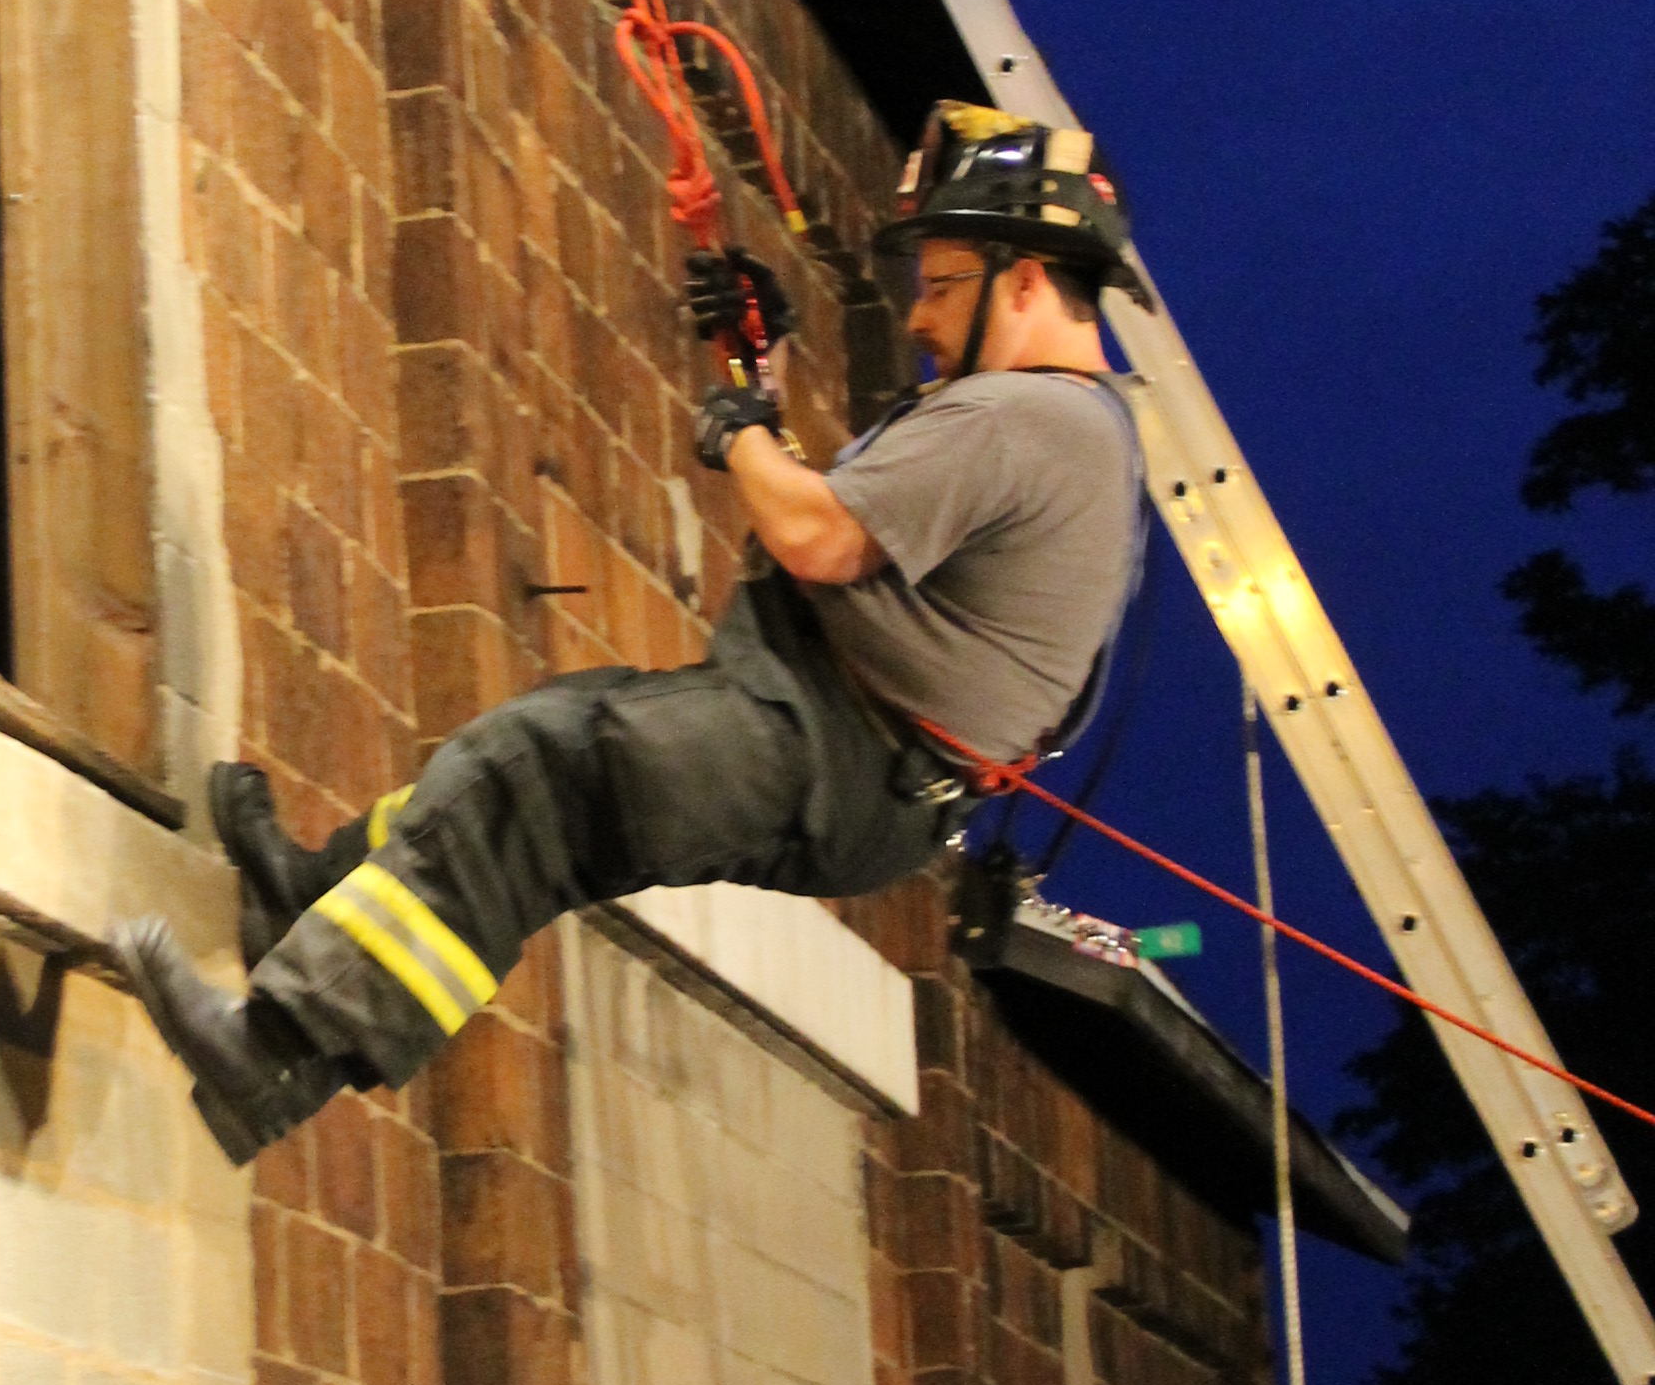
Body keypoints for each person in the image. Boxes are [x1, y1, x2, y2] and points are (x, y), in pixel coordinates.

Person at [113, 106, 1153, 1163]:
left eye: (941, 285)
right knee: (536, 751)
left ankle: (277, 1058)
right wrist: (764, 372)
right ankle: (312, 904)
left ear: (1025, 279)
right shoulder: (1057, 427)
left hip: (836, 752)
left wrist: (740, 433)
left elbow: (818, 534)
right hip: (847, 757)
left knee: (541, 773)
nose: (920, 316)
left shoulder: (1031, 418)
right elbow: (857, 516)